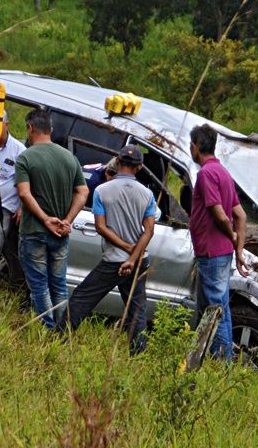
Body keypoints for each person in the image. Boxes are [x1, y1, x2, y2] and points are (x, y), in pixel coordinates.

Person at [65, 145, 158, 353]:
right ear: (140, 167)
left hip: (114, 260)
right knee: (136, 309)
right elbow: (149, 230)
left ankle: (60, 335)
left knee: (82, 297)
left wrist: (124, 249)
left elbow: (100, 227)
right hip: (139, 261)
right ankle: (139, 352)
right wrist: (133, 258)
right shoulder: (148, 195)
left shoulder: (101, 190)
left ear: (118, 161)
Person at [14, 108, 88, 328]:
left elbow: (24, 193)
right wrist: (67, 220)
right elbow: (83, 192)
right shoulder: (70, 157)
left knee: (39, 285)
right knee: (59, 284)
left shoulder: (25, 157)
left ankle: (48, 328)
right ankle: (62, 328)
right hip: (61, 232)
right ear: (51, 130)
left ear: (30, 128)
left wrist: (46, 219)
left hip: (34, 230)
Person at [188, 123, 249, 360]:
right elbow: (241, 214)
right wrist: (239, 250)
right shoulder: (223, 172)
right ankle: (201, 358)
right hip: (220, 253)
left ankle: (223, 363)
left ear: (195, 146)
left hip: (212, 253)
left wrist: (233, 236)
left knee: (215, 311)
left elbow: (220, 214)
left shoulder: (206, 174)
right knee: (215, 307)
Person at [0, 113, 26, 282]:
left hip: (2, 209)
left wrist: (22, 207)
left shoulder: (19, 151)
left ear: (7, 124)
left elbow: (27, 183)